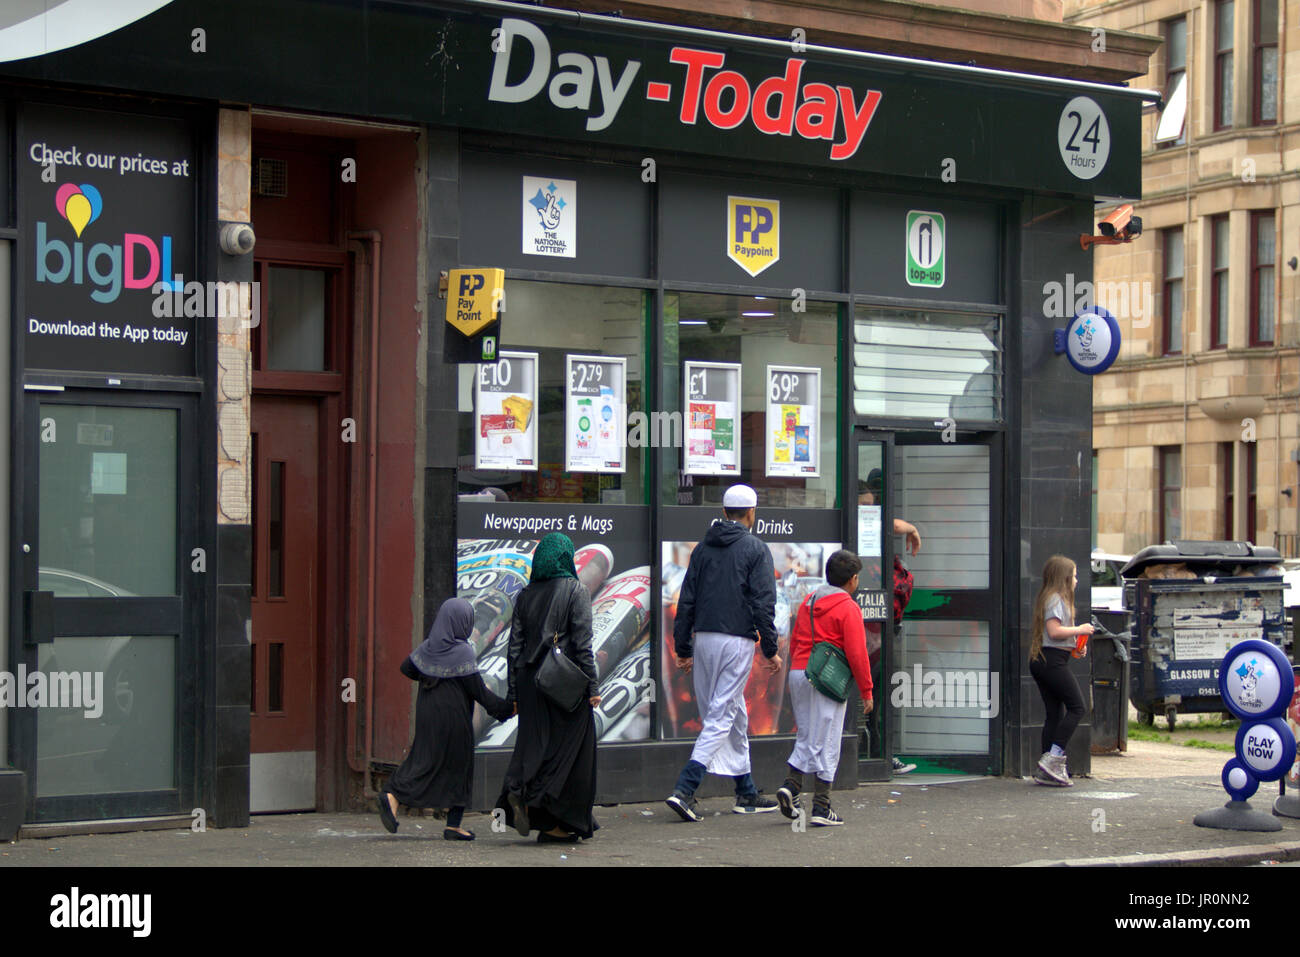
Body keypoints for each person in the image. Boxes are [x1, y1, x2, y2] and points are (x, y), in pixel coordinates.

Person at [666, 483, 783, 821]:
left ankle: (746, 792)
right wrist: (771, 649)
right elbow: (764, 604)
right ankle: (685, 789)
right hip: (737, 642)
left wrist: (684, 647)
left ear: (723, 513)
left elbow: (686, 600)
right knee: (720, 715)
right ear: (752, 513)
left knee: (732, 714)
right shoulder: (756, 549)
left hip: (704, 639)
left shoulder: (702, 550)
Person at [494, 532, 602, 842]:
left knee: (533, 746)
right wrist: (592, 686)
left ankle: (521, 794)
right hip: (562, 682)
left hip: (530, 681)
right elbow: (583, 644)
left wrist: (514, 693)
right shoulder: (575, 590)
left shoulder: (526, 594)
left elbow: (514, 648)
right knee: (570, 753)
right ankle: (554, 821)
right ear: (566, 557)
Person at [379, 597, 514, 840]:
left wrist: (430, 672)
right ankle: (448, 821)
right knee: (459, 766)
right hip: (453, 718)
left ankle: (395, 798)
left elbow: (406, 667)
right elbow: (478, 691)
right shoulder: (462, 651)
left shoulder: (430, 646)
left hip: (428, 712)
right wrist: (506, 709)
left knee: (423, 759)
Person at [777, 550, 874, 826]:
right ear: (853, 580)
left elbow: (796, 640)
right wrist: (866, 691)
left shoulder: (809, 600)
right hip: (827, 679)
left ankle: (796, 790)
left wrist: (797, 670)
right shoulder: (848, 607)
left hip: (800, 672)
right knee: (827, 739)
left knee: (809, 733)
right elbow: (857, 652)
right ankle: (813, 800)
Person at [857, 469, 919, 775]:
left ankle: (879, 754)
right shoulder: (863, 529)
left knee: (878, 697)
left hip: (880, 630)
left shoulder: (874, 539)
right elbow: (893, 524)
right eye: (865, 505)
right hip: (863, 631)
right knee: (866, 695)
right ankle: (869, 756)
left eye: (873, 505)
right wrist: (912, 529)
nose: (870, 511)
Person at [1029, 554, 1093, 787]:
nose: (1076, 580)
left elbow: (1055, 637)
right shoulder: (1056, 599)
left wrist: (1075, 647)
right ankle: (1054, 757)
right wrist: (1080, 629)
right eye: (1074, 576)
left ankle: (1046, 766)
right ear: (1064, 578)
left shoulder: (1052, 598)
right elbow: (1054, 631)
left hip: (1046, 659)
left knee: (1054, 714)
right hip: (1051, 661)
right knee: (1078, 707)